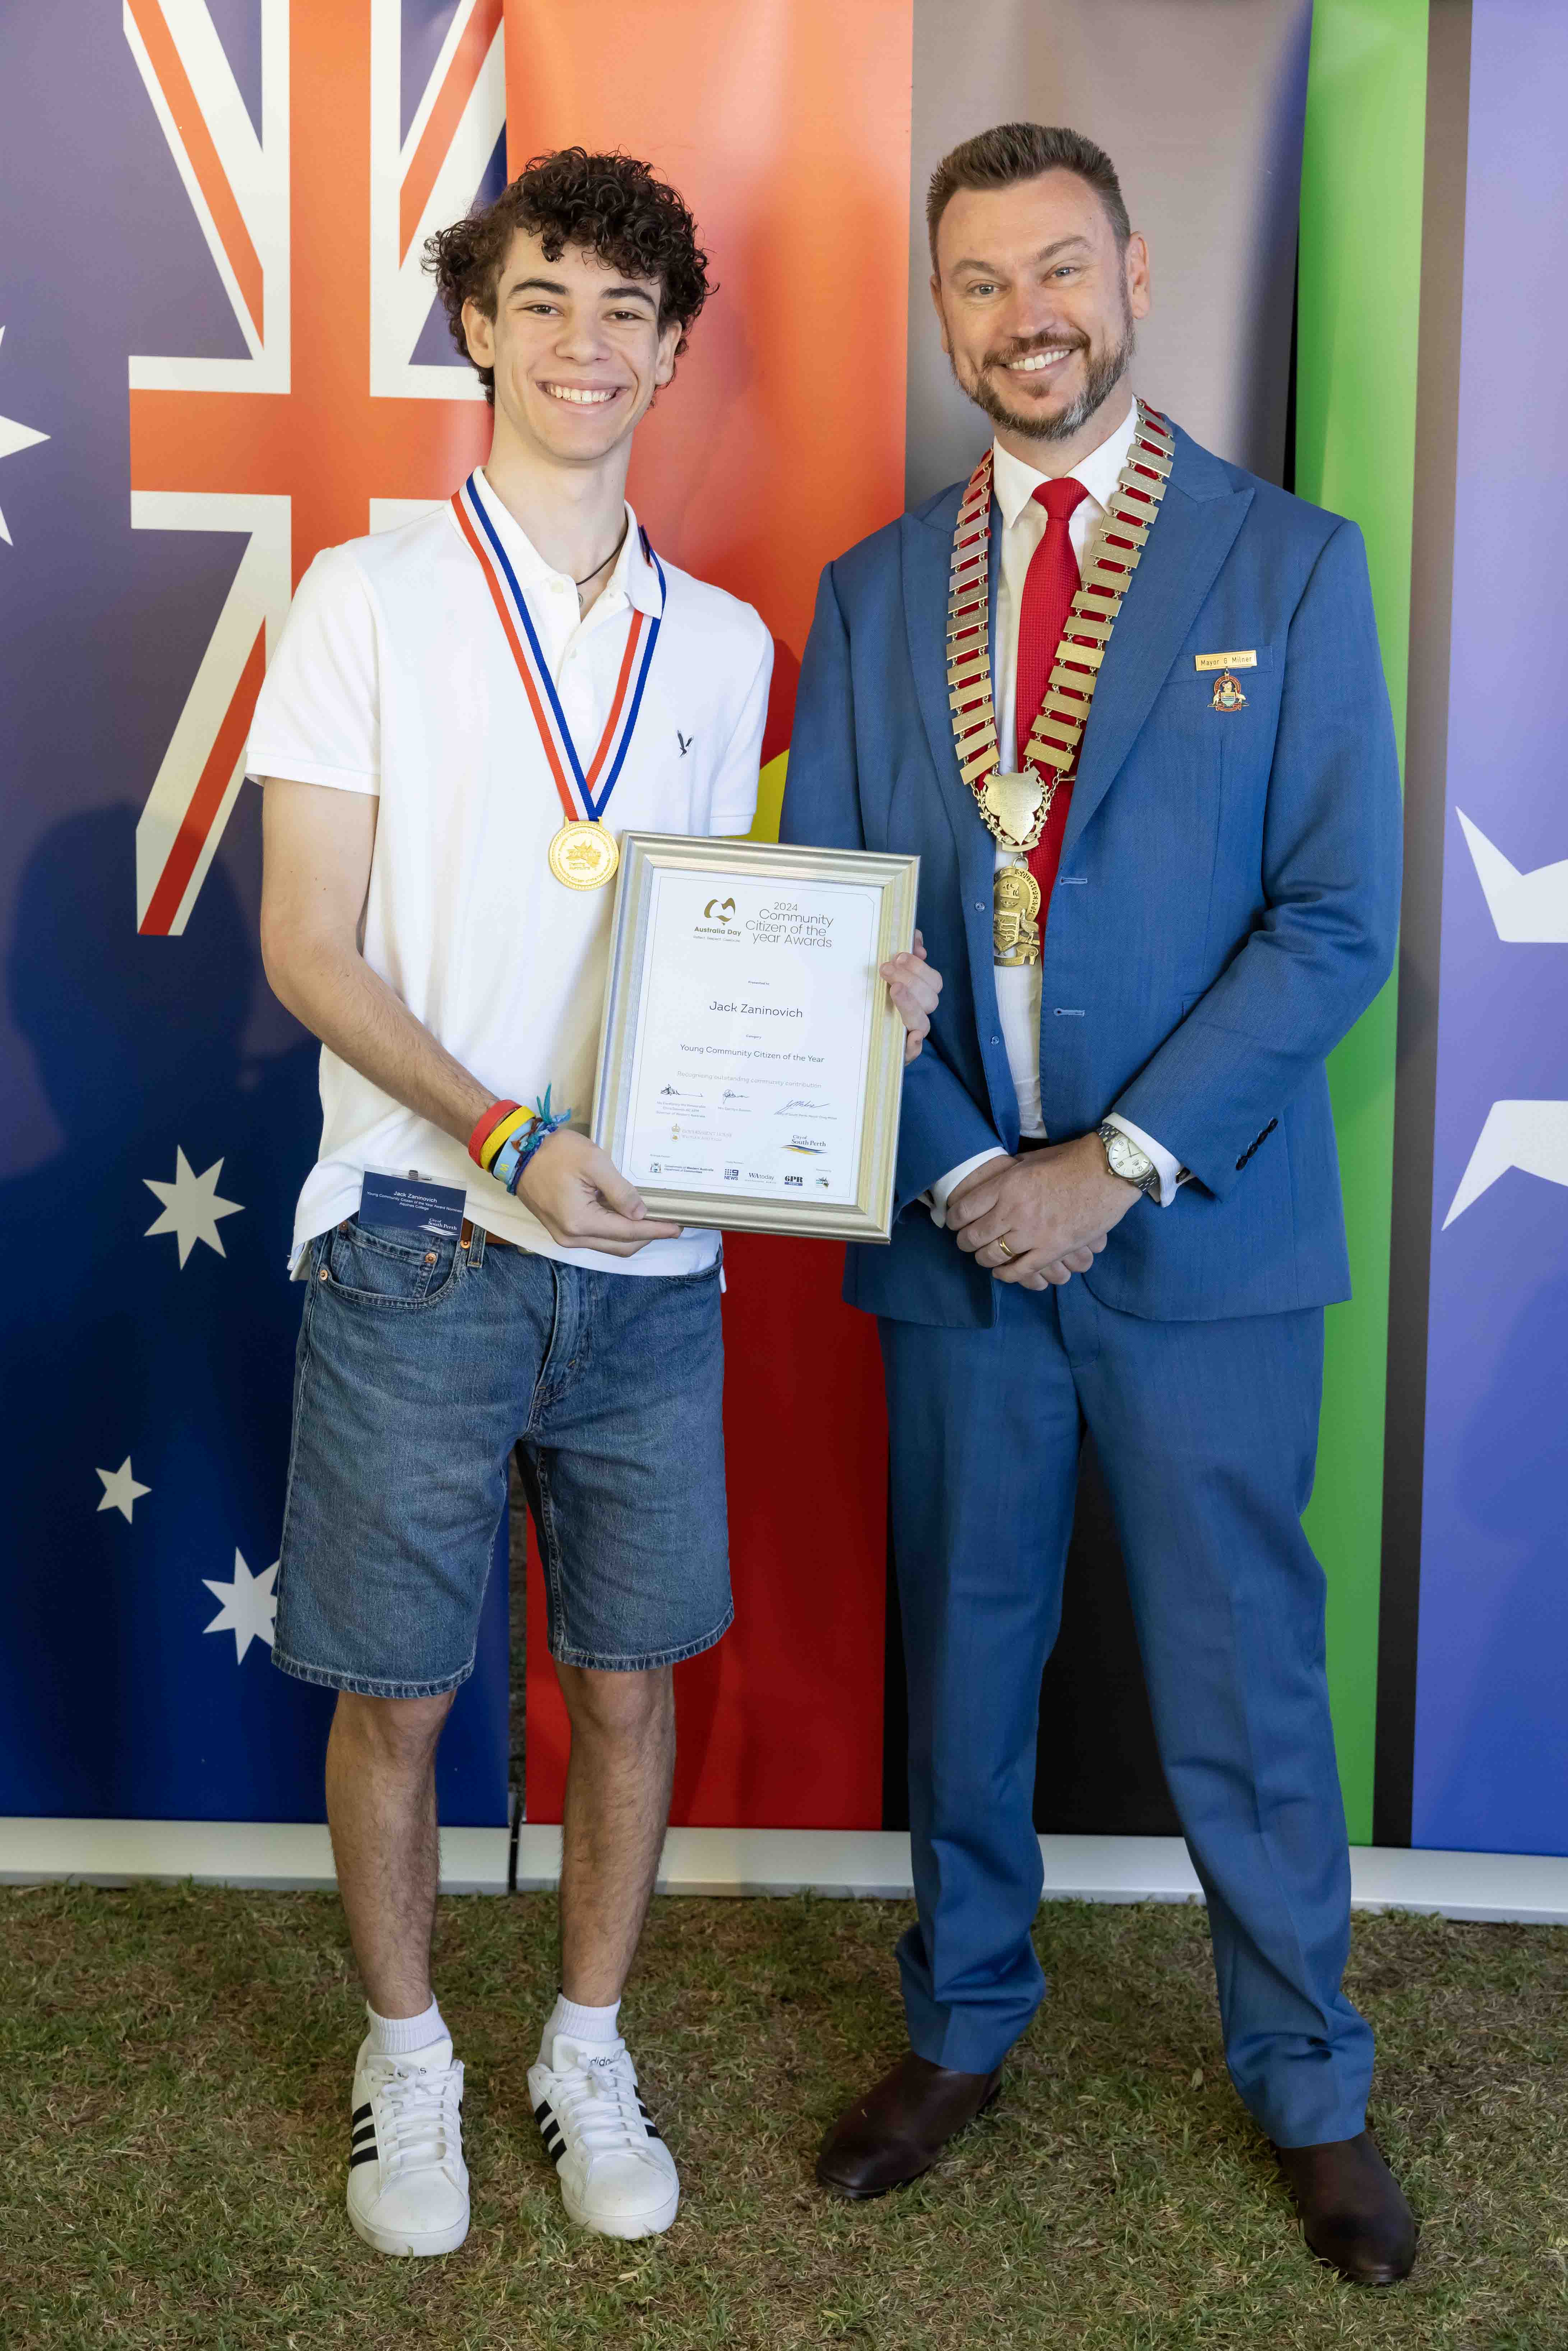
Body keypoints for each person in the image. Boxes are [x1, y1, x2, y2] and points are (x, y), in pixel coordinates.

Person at [251, 144, 939, 2259]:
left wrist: (864, 1006)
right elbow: (307, 943)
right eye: (543, 299)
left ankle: (580, 2037)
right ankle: (409, 2058)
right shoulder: (363, 598)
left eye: (628, 311)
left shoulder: (724, 645)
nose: (585, 343)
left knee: (626, 1678)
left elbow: (739, 944)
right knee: (403, 1688)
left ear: (670, 350)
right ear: (477, 321)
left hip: (650, 1265)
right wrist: (500, 1133)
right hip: (421, 1236)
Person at [781, 122, 1415, 2287]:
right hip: (963, 1223)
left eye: (1062, 268)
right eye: (979, 281)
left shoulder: (1285, 567)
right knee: (968, 1653)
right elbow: (841, 928)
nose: (1025, 314)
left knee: (1243, 1672)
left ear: (1138, 277)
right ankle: (959, 2026)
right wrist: (971, 1161)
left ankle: (1311, 2082)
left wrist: (1107, 1165)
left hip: (1196, 1230)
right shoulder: (877, 598)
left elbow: (1336, 925)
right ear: (943, 311)